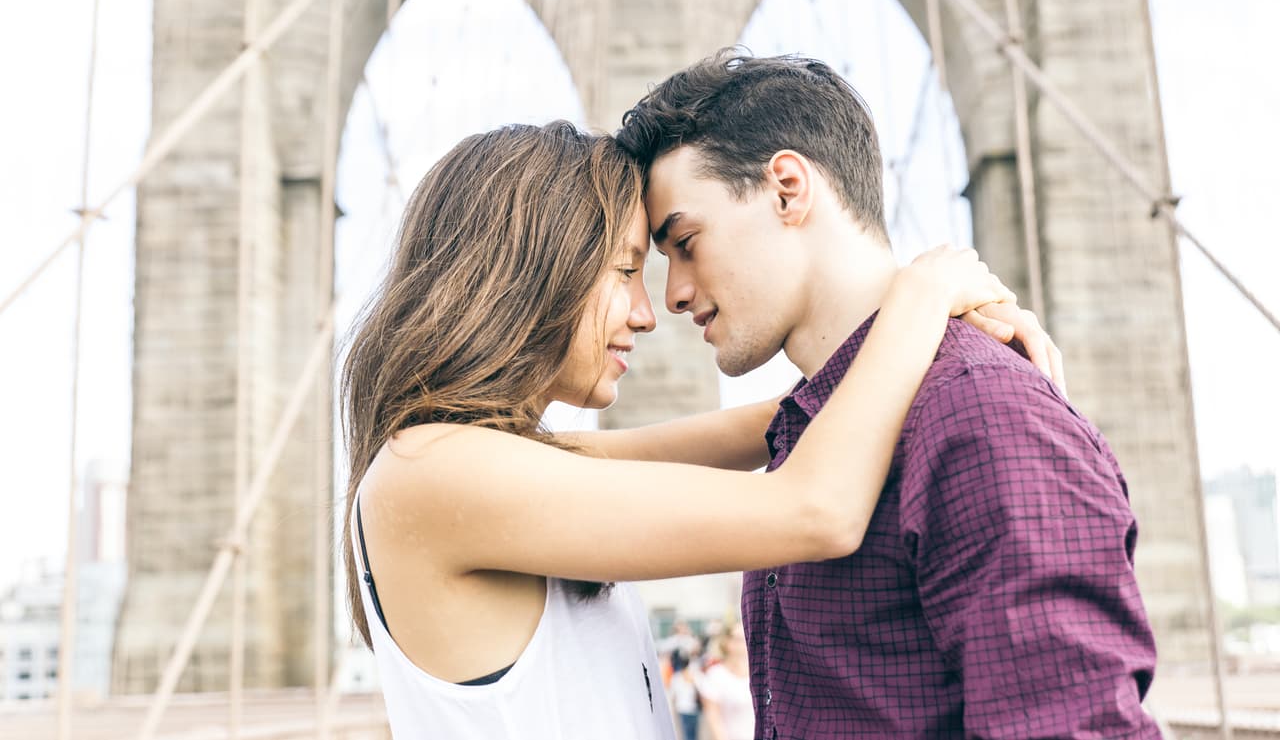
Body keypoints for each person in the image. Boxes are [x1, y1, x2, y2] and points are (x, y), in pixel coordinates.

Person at [340, 120, 1051, 739]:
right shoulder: (431, 473)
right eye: (625, 270)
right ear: (531, 270)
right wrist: (921, 292)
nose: (648, 312)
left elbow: (788, 419)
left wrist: (942, 348)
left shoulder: (490, 466)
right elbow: (816, 509)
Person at [615, 50, 1163, 739]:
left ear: (787, 189)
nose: (672, 295)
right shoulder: (809, 425)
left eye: (687, 242)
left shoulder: (984, 416)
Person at [698, 622, 753, 740]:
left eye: (746, 637)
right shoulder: (715, 675)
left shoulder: (758, 675)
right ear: (727, 642)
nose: (743, 643)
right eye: (738, 639)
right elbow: (714, 718)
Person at [668, 650, 701, 740]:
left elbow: (672, 695)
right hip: (693, 708)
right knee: (693, 735)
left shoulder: (676, 677)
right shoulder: (694, 675)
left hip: (683, 708)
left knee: (688, 734)